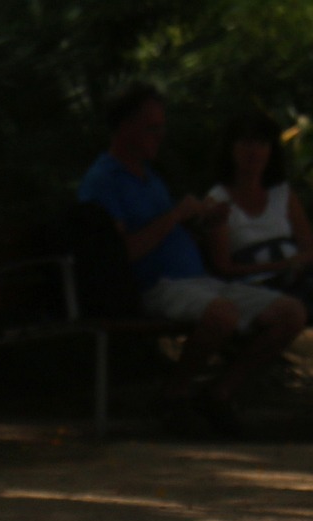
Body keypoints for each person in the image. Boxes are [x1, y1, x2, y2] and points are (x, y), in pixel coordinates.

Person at [78, 82, 306, 431]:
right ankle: (173, 395)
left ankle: (219, 394)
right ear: (125, 128)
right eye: (151, 128)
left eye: (161, 127)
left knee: (290, 312)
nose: (160, 136)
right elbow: (119, 254)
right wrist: (174, 216)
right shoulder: (103, 181)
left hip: (198, 281)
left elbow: (171, 233)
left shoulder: (150, 178)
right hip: (157, 285)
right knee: (222, 315)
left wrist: (201, 225)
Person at [205, 111, 313, 312]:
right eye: (246, 143)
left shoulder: (282, 193)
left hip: (299, 282)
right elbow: (223, 267)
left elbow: (308, 247)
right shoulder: (217, 200)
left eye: (262, 144)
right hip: (250, 290)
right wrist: (277, 267)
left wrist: (296, 265)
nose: (254, 152)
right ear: (231, 149)